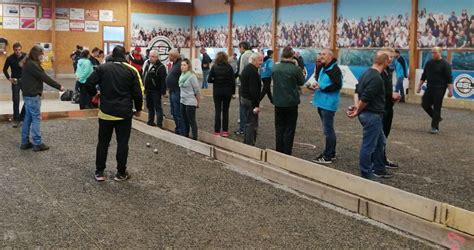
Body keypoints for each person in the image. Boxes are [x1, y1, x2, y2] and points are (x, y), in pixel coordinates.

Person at [85, 45, 144, 182]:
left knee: (103, 143)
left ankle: (99, 172)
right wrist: (139, 109)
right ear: (125, 56)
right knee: (122, 143)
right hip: (124, 114)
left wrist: (96, 94)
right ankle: (121, 173)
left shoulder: (102, 68)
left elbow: (88, 83)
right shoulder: (132, 70)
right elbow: (138, 93)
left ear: (112, 55)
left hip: (106, 112)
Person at [347, 51, 393, 180]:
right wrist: (358, 110)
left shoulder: (365, 74)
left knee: (380, 142)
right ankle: (366, 172)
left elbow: (357, 91)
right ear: (385, 62)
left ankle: (378, 168)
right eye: (389, 59)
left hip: (369, 114)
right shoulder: (376, 78)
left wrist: (357, 107)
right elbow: (366, 97)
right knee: (369, 145)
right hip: (372, 114)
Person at [20, 45, 65, 152]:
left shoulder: (27, 63)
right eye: (41, 54)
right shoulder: (33, 65)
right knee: (36, 118)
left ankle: (24, 142)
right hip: (33, 96)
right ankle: (37, 143)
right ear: (36, 54)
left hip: (27, 95)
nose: (43, 56)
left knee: (28, 118)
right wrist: (59, 86)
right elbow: (44, 77)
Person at [310, 49, 342, 164]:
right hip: (322, 102)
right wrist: (317, 85)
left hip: (328, 104)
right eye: (320, 54)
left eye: (323, 54)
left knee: (328, 130)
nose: (321, 56)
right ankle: (331, 153)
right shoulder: (324, 67)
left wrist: (321, 87)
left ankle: (328, 156)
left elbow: (337, 85)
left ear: (330, 56)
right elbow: (323, 82)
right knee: (328, 129)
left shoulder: (334, 69)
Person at [272, 47, 305, 155]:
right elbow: (301, 82)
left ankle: (279, 150)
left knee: (279, 127)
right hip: (291, 102)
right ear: (292, 56)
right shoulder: (295, 69)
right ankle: (287, 152)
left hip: (278, 101)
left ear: (282, 55)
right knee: (289, 128)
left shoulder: (275, 68)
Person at [417, 46, 453, 134]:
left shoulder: (445, 64)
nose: (433, 54)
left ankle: (435, 127)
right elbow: (424, 75)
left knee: (437, 106)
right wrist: (419, 86)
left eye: (435, 52)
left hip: (440, 88)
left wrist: (450, 91)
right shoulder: (429, 63)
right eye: (432, 52)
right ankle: (437, 118)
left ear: (440, 53)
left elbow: (449, 79)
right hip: (430, 87)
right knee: (424, 104)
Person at [380, 48, 401, 169]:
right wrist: (390, 94)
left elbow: (386, 89)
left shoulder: (388, 70)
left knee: (384, 135)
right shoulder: (378, 71)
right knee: (379, 136)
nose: (390, 59)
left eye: (392, 57)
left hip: (388, 107)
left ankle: (381, 158)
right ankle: (375, 161)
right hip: (380, 108)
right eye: (388, 57)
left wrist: (392, 95)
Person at [207, 51, 236, 137]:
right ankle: (225, 131)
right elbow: (233, 81)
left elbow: (209, 80)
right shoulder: (229, 67)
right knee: (226, 111)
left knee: (218, 111)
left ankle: (217, 131)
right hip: (227, 92)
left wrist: (215, 80)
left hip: (217, 91)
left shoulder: (214, 67)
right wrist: (233, 92)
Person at [240, 53, 263, 146]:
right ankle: (249, 144)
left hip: (244, 98)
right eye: (259, 60)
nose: (261, 63)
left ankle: (246, 141)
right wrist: (256, 105)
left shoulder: (247, 69)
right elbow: (253, 90)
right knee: (251, 123)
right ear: (253, 60)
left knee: (247, 122)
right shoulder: (253, 72)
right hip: (250, 100)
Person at [3, 42, 26, 128]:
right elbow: (4, 70)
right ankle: (16, 119)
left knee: (28, 99)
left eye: (19, 50)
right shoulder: (10, 58)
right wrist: (9, 78)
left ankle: (22, 117)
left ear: (21, 49)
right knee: (16, 100)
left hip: (24, 81)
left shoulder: (25, 56)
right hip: (15, 81)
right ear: (13, 50)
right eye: (16, 50)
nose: (17, 51)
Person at [143, 50, 167, 127]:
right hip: (148, 90)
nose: (151, 58)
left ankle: (159, 124)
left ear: (157, 57)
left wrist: (163, 91)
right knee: (149, 106)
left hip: (156, 91)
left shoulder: (161, 67)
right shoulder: (147, 64)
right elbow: (145, 75)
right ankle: (150, 121)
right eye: (150, 56)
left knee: (157, 107)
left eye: (153, 56)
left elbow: (164, 80)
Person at [179, 59, 200, 140]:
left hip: (190, 101)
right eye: (181, 65)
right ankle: (186, 135)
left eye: (184, 65)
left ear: (188, 66)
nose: (182, 67)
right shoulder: (182, 75)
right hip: (182, 100)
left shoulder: (192, 76)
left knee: (191, 120)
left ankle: (195, 137)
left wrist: (198, 102)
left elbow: (197, 90)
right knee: (184, 119)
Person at [166, 49, 185, 135]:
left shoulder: (180, 64)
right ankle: (178, 128)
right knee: (173, 111)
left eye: (169, 55)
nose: (168, 57)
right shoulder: (174, 64)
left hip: (177, 91)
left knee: (178, 112)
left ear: (173, 56)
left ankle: (182, 131)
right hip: (172, 90)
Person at [235, 42, 253, 135]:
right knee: (251, 107)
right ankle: (250, 128)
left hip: (243, 85)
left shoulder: (243, 56)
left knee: (242, 106)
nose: (239, 50)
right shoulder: (253, 54)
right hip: (252, 85)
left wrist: (239, 82)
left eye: (239, 48)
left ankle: (242, 128)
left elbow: (241, 71)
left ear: (242, 47)